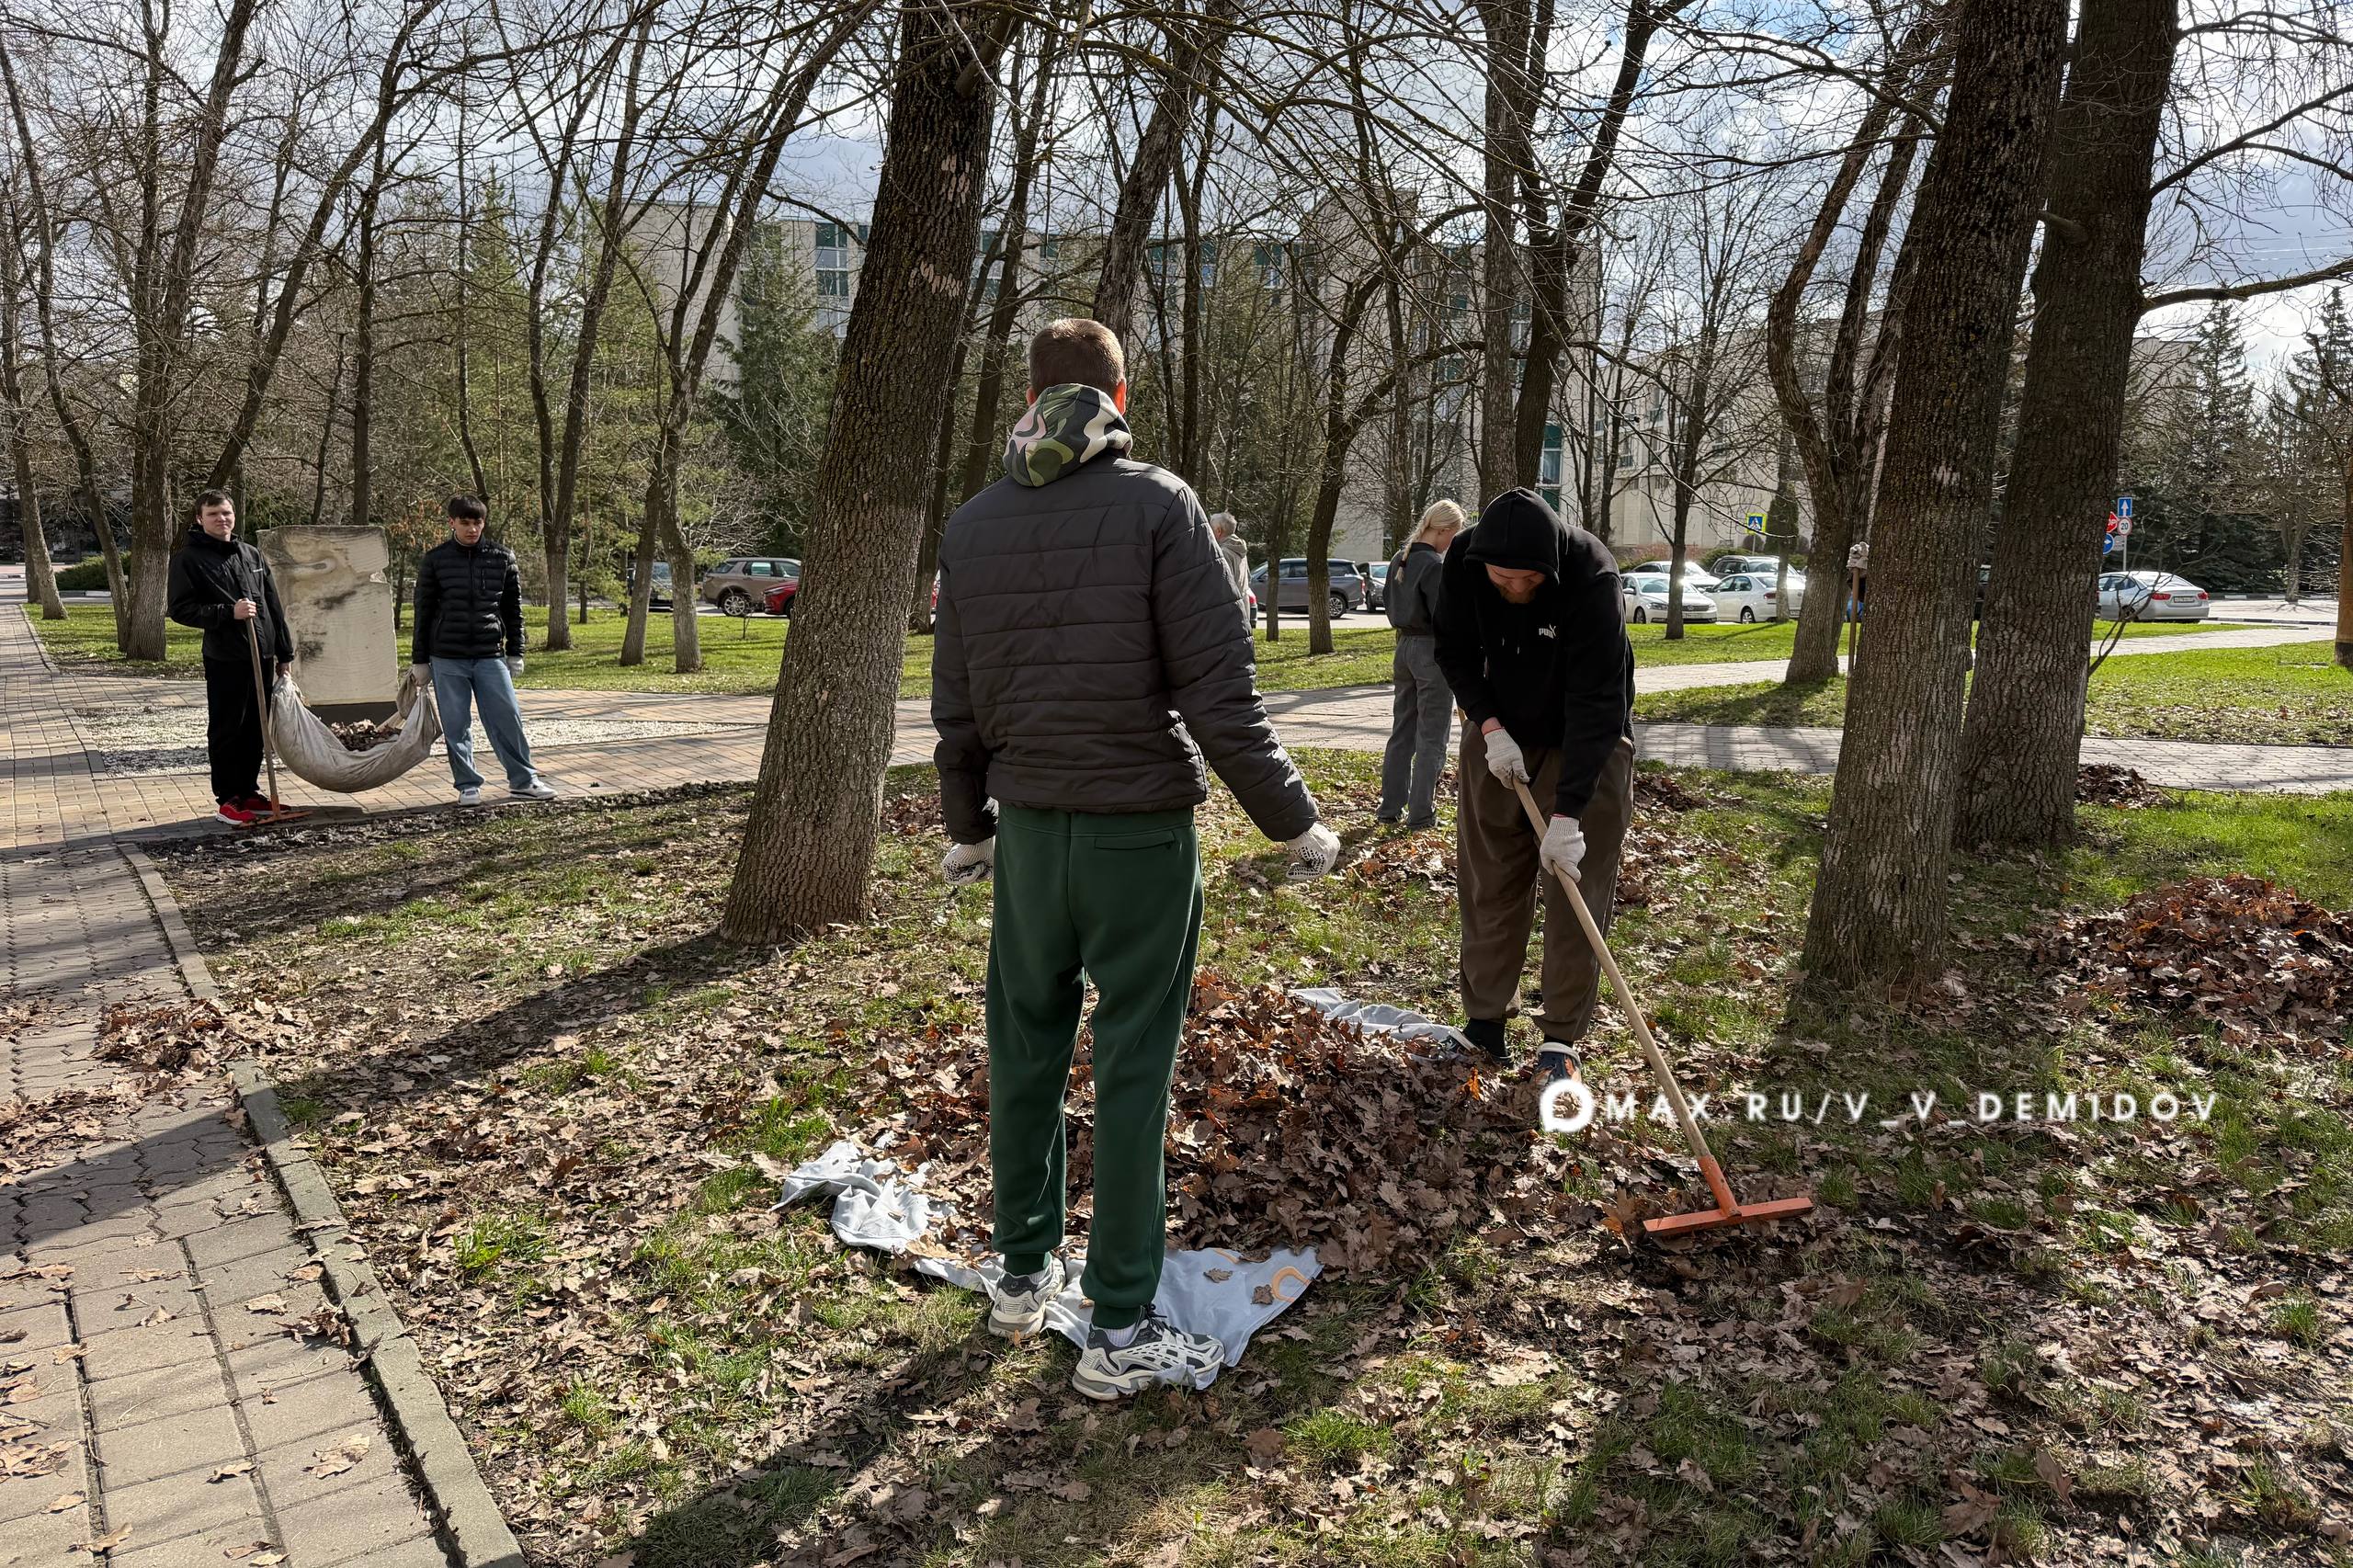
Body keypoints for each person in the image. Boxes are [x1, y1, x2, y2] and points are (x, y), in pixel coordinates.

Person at [932, 317, 1343, 1400]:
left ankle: (1022, 1273)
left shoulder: (972, 525)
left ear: (1030, 394)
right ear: (1119, 394)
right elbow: (1219, 693)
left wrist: (967, 825)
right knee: (1130, 1065)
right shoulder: (1160, 505)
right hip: (1137, 832)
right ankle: (1117, 1323)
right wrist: (1293, 823)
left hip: (1027, 833)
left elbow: (956, 707)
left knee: (1022, 1048)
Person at [1434, 487, 1635, 1089]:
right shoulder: (1464, 560)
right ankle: (1484, 1024)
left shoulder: (1591, 575)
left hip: (1584, 741)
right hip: (1500, 734)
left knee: (1576, 886)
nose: (1516, 589)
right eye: (1505, 579)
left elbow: (1599, 702)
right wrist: (1488, 728)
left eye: (1528, 580)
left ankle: (1560, 1038)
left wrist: (1570, 815)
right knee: (1490, 880)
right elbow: (1454, 651)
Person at [410, 495, 555, 805]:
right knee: (456, 723)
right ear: (452, 523)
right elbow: (422, 611)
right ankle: (467, 785)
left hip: (490, 654)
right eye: (465, 522)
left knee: (508, 717)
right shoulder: (435, 560)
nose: (472, 528)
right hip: (447, 656)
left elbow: (513, 609)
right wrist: (419, 660)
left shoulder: (502, 557)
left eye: (477, 522)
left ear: (483, 523)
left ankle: (524, 780)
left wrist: (516, 651)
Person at [167, 491, 295, 826]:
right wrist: (228, 612)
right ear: (199, 519)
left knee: (256, 727)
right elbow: (180, 610)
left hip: (262, 654)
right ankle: (228, 799)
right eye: (213, 515)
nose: (221, 519)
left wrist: (284, 652)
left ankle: (249, 790)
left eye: (226, 513)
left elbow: (273, 605)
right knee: (228, 728)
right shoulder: (188, 559)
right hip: (226, 656)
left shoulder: (250, 554)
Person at [1377, 499, 1465, 830]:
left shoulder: (1399, 560)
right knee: (1432, 736)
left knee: (1402, 732)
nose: (1451, 543)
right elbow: (1445, 618)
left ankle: (1389, 808)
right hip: (1430, 651)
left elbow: (1388, 604)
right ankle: (1421, 814)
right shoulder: (1434, 566)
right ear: (1442, 530)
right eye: (1452, 535)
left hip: (1403, 648)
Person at [1210, 511, 1250, 612]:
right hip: (1244, 607)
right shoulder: (1240, 549)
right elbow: (1248, 578)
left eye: (1211, 530)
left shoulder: (1222, 553)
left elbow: (1222, 588)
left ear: (1218, 531)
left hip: (1230, 612)